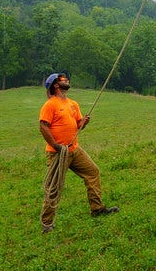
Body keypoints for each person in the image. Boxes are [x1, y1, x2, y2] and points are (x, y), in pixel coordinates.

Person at [39, 71, 118, 233]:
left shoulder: (73, 104)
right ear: (55, 85)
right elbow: (43, 126)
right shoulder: (50, 105)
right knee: (54, 187)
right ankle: (47, 223)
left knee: (93, 172)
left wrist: (84, 122)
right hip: (57, 153)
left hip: (74, 149)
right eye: (62, 79)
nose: (66, 80)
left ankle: (97, 209)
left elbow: (78, 124)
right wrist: (56, 146)